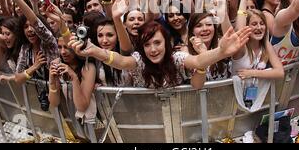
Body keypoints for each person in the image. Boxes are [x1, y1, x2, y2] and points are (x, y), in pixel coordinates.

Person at [69, 20, 251, 89]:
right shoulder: (139, 61)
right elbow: (122, 62)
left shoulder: (176, 58)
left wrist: (220, 51)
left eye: (157, 43)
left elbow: (197, 60)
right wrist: (95, 51)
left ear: (167, 43)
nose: (153, 49)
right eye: (147, 45)